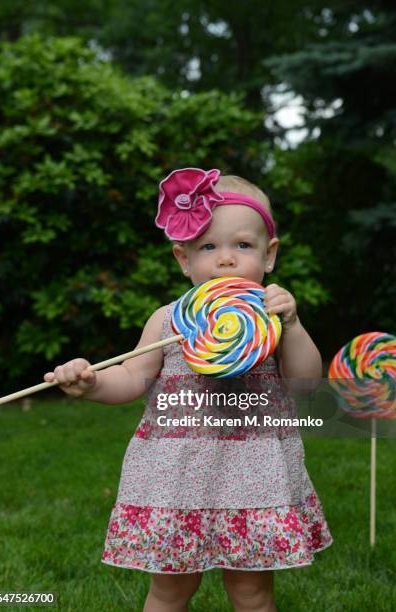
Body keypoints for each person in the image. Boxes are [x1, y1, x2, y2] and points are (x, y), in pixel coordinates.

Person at [44, 168, 333, 612]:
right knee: (170, 591)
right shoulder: (168, 320)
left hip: (254, 479)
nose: (225, 260)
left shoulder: (271, 320)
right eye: (207, 247)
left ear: (269, 254)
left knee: (253, 594)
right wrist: (92, 381)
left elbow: (305, 383)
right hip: (175, 479)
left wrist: (291, 327)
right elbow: (129, 378)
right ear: (183, 259)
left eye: (243, 245)